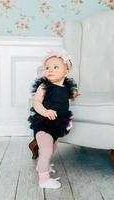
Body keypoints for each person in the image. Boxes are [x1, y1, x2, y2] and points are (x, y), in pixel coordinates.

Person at [28, 49, 80, 189]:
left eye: (55, 67)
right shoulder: (44, 86)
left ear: (66, 71)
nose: (50, 70)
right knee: (46, 150)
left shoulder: (66, 86)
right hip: (44, 123)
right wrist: (45, 111)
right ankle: (43, 179)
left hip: (58, 124)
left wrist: (75, 94)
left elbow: (66, 96)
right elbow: (36, 102)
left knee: (53, 146)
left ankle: (41, 165)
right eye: (47, 68)